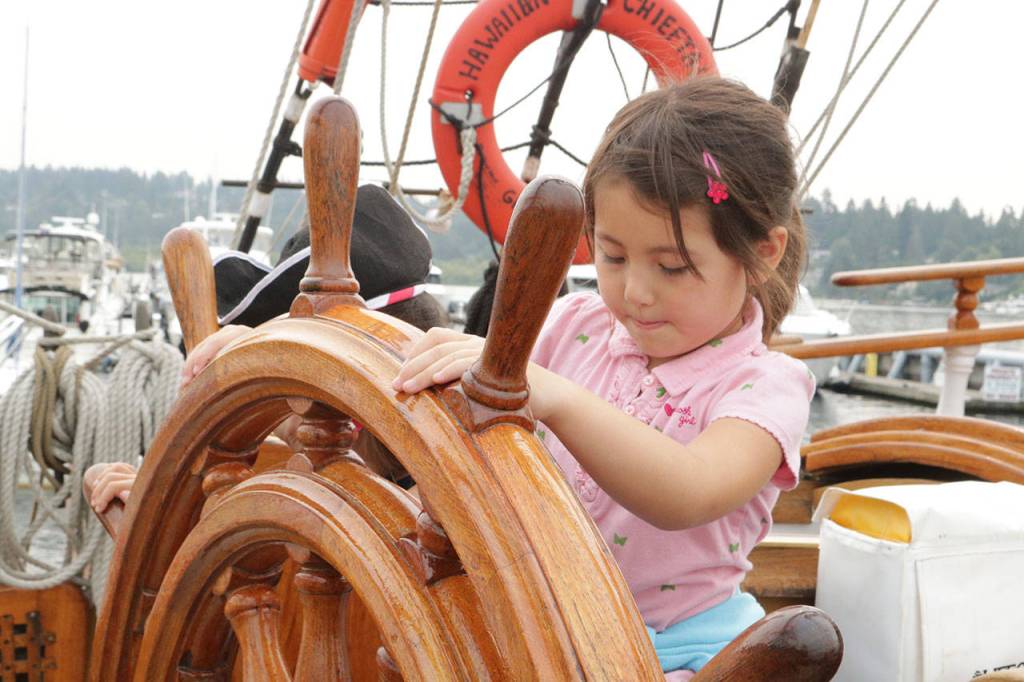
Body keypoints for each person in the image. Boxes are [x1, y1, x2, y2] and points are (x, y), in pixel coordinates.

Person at [391, 77, 813, 680]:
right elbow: (466, 419)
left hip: (679, 650)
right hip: (534, 616)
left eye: (672, 266)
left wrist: (558, 400)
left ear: (764, 252)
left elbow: (690, 492)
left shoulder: (766, 387)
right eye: (612, 257)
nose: (635, 292)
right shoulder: (570, 323)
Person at [85, 184, 442, 514]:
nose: (282, 405)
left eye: (298, 364)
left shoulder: (436, 494)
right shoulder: (283, 468)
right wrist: (171, 509)